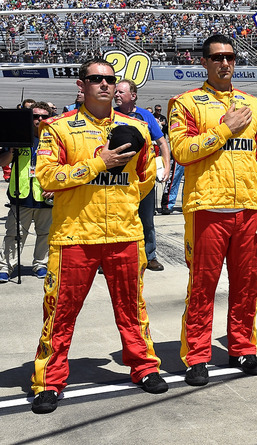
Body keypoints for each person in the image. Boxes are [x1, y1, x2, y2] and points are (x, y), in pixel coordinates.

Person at [30, 59, 167, 414]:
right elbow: (46, 178)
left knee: (133, 310)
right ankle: (49, 381)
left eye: (109, 80)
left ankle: (144, 366)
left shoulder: (135, 126)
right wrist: (97, 164)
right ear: (82, 84)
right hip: (74, 235)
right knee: (59, 313)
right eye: (96, 79)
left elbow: (145, 178)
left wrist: (120, 202)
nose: (104, 85)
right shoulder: (58, 128)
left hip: (123, 233)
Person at [169, 34, 257, 386]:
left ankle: (243, 347)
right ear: (204, 62)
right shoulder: (185, 103)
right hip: (207, 208)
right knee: (202, 286)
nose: (224, 63)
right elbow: (182, 152)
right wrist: (223, 129)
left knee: (247, 285)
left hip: (249, 209)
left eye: (230, 57)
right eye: (217, 57)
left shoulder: (254, 106)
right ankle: (197, 356)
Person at [114, 79, 170, 272]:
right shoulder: (109, 115)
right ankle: (112, 257)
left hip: (143, 178)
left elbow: (162, 142)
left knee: (146, 219)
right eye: (116, 92)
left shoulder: (145, 116)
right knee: (117, 218)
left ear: (133, 95)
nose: (117, 95)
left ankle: (150, 256)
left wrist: (166, 166)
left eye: (121, 92)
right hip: (118, 179)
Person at [0, 103, 53, 282]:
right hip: (20, 194)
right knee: (14, 234)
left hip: (45, 196)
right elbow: (2, 162)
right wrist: (12, 151)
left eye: (44, 117)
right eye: (35, 116)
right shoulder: (17, 137)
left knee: (45, 234)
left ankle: (41, 264)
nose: (39, 120)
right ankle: (6, 266)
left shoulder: (54, 139)